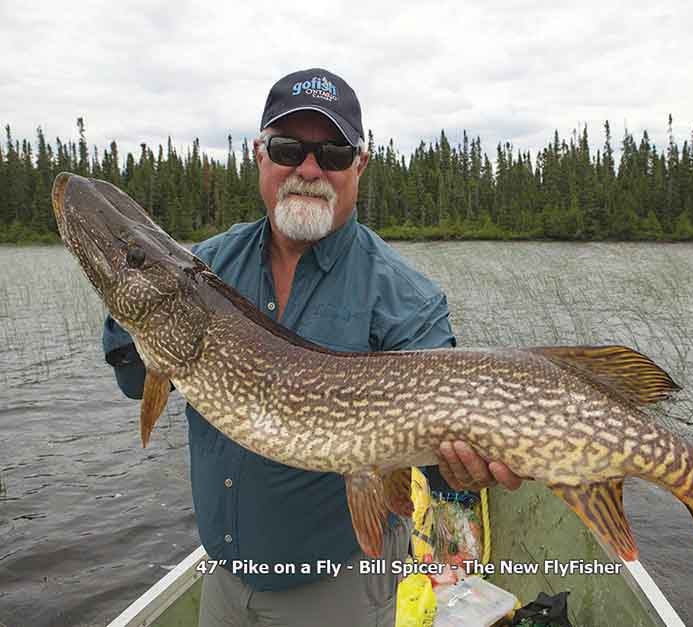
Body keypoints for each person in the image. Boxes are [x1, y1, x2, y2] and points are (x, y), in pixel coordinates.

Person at [102, 68, 521, 627]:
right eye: (287, 148)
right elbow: (135, 381)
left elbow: (444, 462)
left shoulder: (405, 296)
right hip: (223, 577)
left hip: (339, 585)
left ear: (360, 165)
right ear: (258, 155)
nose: (308, 169)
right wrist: (127, 296)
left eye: (333, 154)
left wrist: (468, 468)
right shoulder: (207, 266)